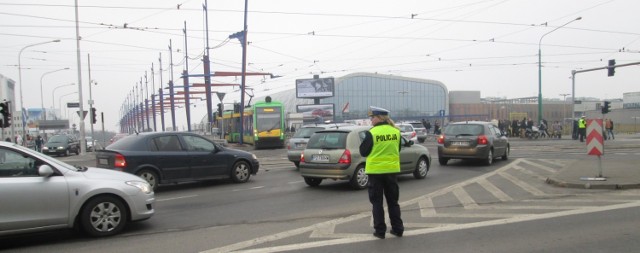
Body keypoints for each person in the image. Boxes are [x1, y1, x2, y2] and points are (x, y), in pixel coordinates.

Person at [359, 106, 404, 239]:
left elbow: (363, 152)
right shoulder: (396, 132)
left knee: (377, 202)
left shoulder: (372, 133)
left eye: (372, 117)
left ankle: (380, 231)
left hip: (376, 172)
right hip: (391, 171)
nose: (371, 120)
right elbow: (398, 148)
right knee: (393, 202)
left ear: (379, 118)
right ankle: (398, 229)